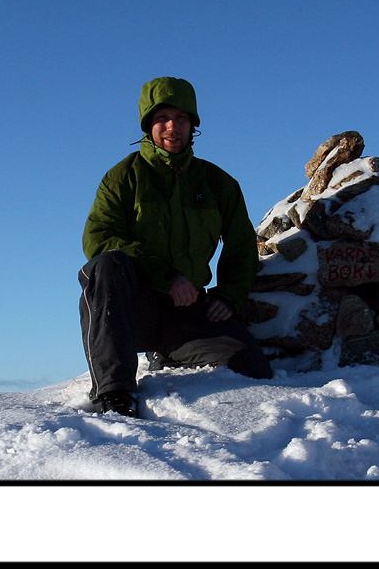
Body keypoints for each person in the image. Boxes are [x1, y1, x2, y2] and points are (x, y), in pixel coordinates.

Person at [79, 76, 272, 418]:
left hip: (188, 309)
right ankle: (114, 392)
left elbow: (242, 243)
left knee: (252, 366)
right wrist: (166, 276)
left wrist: (229, 295)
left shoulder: (218, 182)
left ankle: (170, 353)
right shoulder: (123, 177)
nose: (172, 127)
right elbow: (99, 238)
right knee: (105, 266)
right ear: (148, 124)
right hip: (133, 310)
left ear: (193, 125)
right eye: (162, 118)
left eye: (182, 118)